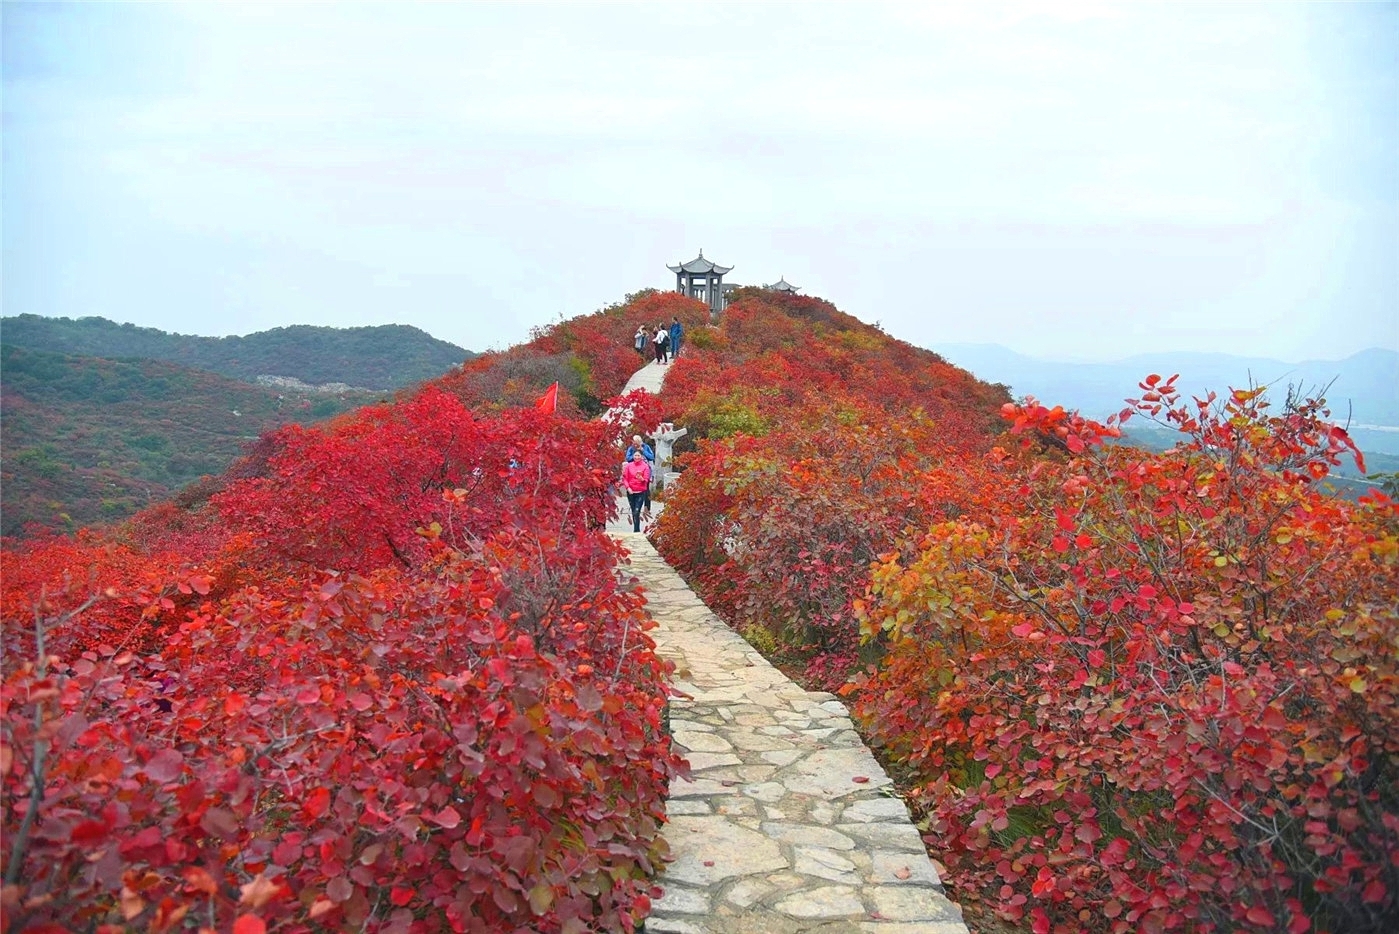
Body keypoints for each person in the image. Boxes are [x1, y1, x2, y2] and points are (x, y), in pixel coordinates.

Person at [621, 448, 652, 532]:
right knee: (634, 510)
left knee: (637, 511)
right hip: (631, 492)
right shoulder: (628, 466)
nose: (637, 457)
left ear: (641, 456)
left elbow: (647, 479)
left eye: (638, 455)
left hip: (640, 492)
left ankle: (636, 530)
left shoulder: (645, 466)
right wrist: (628, 487)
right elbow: (625, 478)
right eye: (635, 455)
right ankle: (636, 528)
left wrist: (642, 479)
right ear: (633, 456)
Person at [624, 434, 655, 517]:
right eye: (634, 443)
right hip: (633, 471)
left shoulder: (646, 447)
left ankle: (647, 508)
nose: (635, 444)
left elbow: (651, 457)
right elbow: (628, 458)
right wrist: (636, 456)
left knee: (646, 489)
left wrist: (642, 451)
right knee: (634, 488)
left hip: (645, 470)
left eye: (637, 443)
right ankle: (635, 507)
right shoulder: (631, 448)